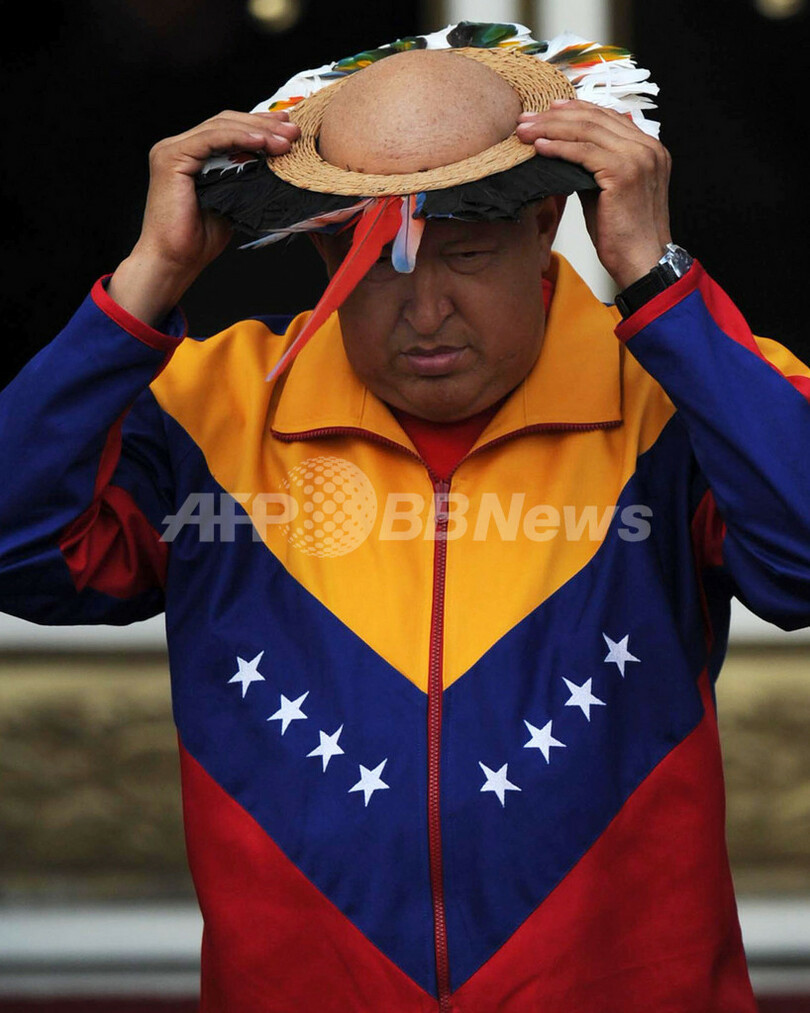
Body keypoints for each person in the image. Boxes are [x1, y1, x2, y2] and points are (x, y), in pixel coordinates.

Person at [2, 21, 810, 1013]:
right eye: (373, 265)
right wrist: (147, 279)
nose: (425, 312)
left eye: (464, 253)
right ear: (320, 250)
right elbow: (16, 548)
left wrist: (657, 276)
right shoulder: (210, 402)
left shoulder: (682, 386)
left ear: (547, 222)